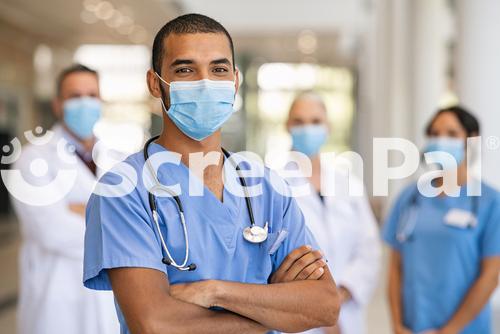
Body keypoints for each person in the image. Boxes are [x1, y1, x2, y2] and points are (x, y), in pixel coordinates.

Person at [83, 13, 339, 334]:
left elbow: (325, 305)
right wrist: (270, 311)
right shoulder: (123, 191)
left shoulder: (266, 187)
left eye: (218, 69)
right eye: (185, 70)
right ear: (154, 83)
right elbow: (154, 323)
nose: (205, 82)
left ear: (234, 81)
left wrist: (215, 291)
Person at [11, 64, 119, 334]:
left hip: (111, 300)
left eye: (92, 95)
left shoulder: (119, 159)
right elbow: (53, 232)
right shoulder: (31, 160)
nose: (85, 102)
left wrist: (86, 212)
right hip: (56, 300)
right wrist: (116, 218)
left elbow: (143, 225)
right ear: (58, 104)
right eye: (75, 96)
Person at [383, 106, 500, 334]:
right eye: (435, 134)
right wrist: (397, 325)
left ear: (471, 140)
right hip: (412, 327)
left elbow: (491, 275)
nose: (440, 141)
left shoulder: (490, 202)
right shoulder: (409, 198)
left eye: (451, 134)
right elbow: (395, 268)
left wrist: (448, 331)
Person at [283, 92, 381, 334]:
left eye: (315, 121)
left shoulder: (348, 183)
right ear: (287, 126)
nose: (308, 128)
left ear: (328, 127)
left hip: (347, 311)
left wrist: (338, 296)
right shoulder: (273, 184)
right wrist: (319, 304)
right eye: (299, 121)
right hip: (297, 315)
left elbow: (368, 249)